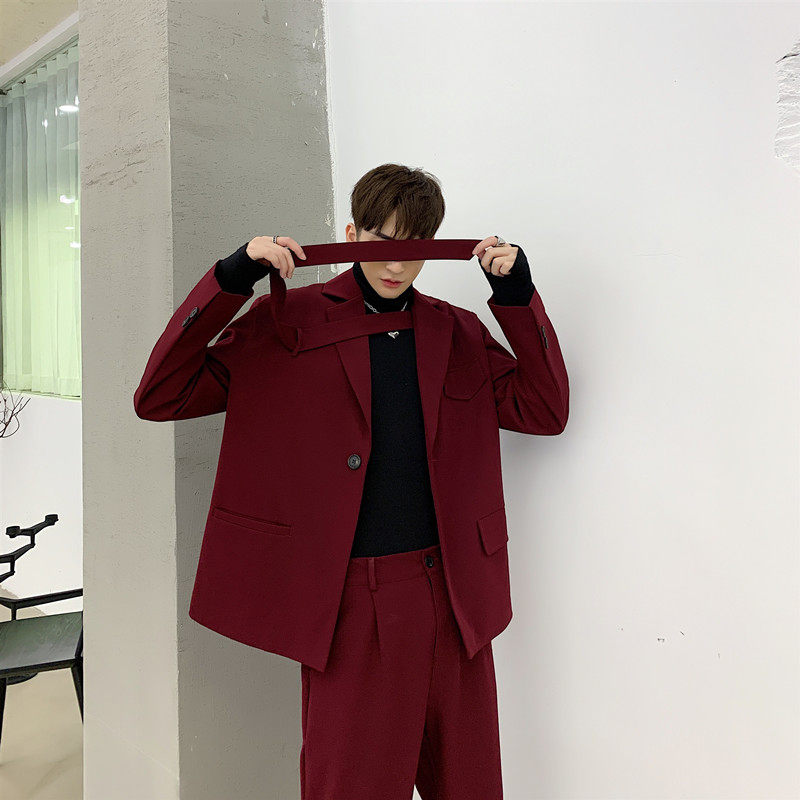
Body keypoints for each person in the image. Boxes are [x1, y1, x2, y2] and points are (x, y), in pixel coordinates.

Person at [135, 163, 569, 799]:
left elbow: (544, 409)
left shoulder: (456, 329)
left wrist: (517, 295)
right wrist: (231, 278)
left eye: (413, 246)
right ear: (350, 233)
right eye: (379, 240)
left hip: (457, 598)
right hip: (352, 603)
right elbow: (161, 394)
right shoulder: (289, 320)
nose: (395, 263)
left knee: (472, 786)